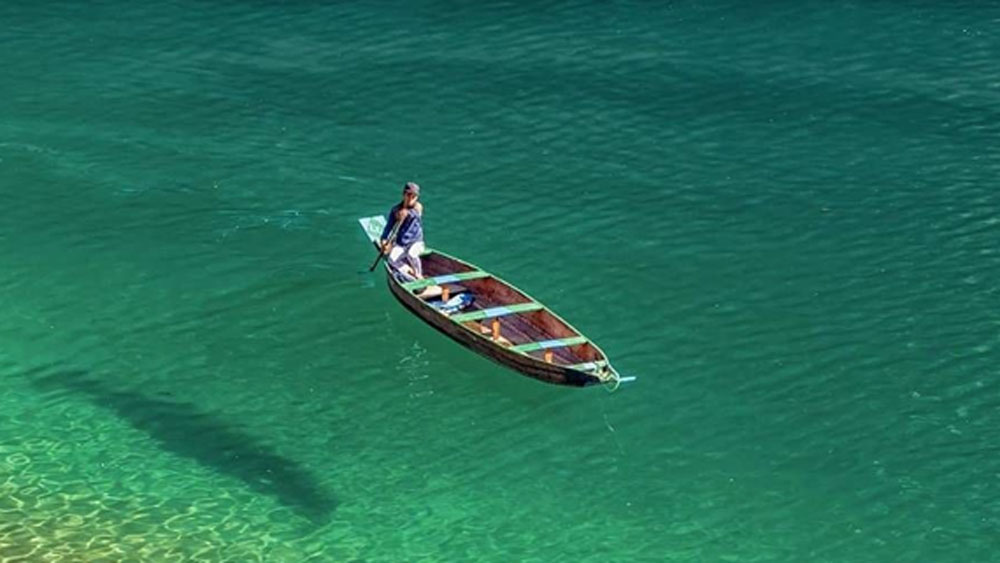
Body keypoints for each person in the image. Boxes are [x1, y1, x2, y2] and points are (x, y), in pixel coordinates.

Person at [379, 181, 424, 281]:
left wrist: (405, 214)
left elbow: (415, 214)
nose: (410, 198)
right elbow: (388, 228)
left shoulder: (418, 207)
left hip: (416, 242)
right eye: (408, 195)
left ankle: (418, 275)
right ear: (403, 195)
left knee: (412, 254)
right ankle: (407, 270)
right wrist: (383, 240)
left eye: (414, 196)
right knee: (391, 260)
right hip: (401, 243)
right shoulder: (395, 210)